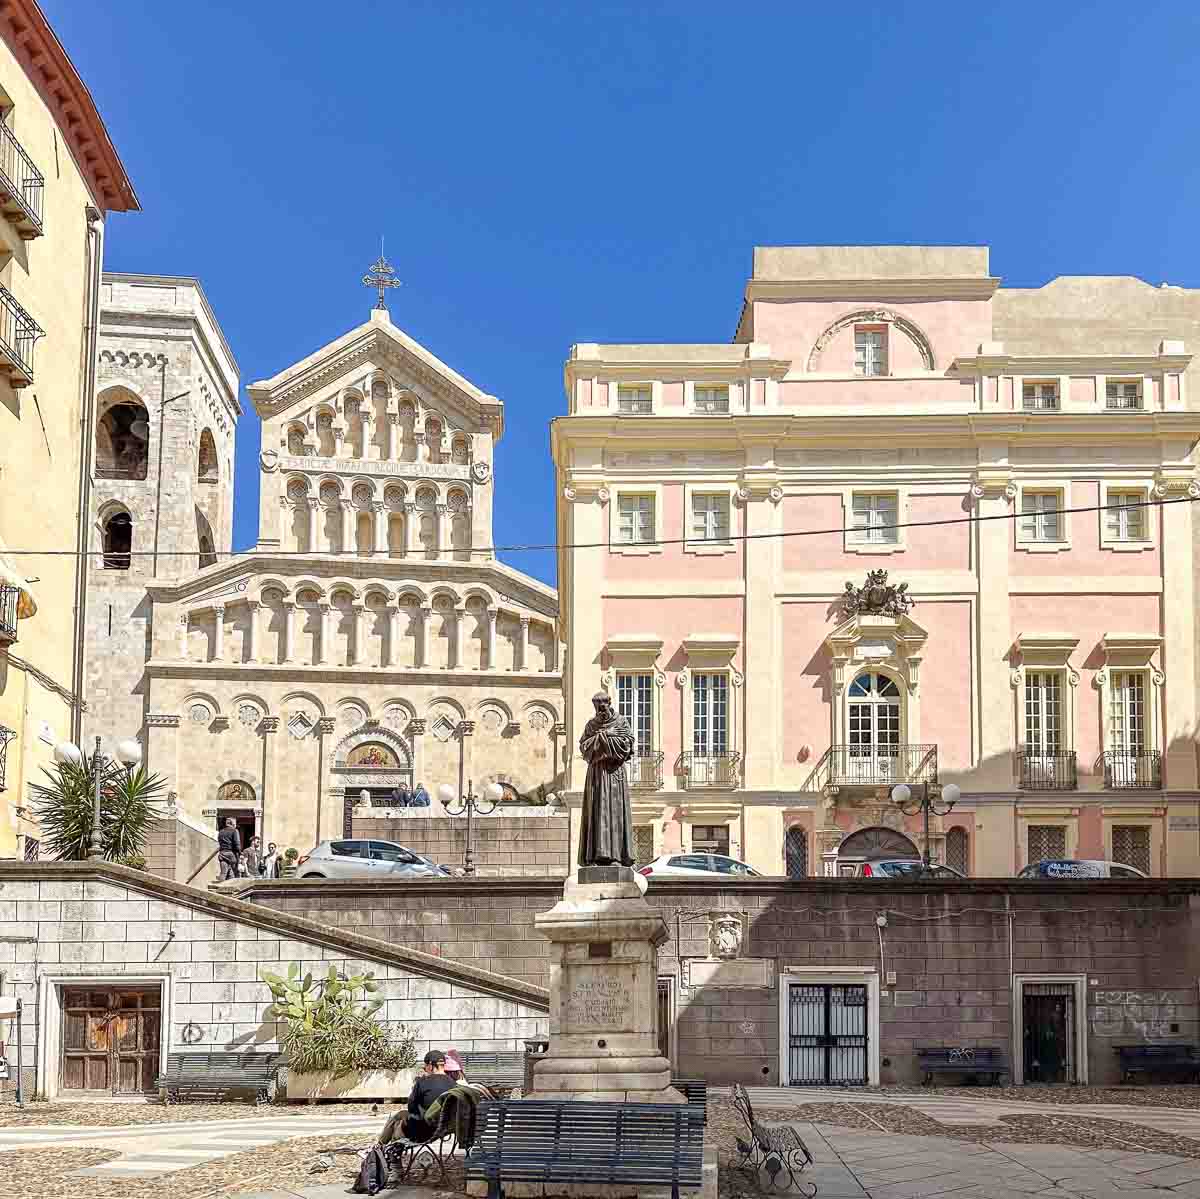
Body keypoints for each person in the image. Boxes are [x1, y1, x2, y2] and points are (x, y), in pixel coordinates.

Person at [402, 1050, 454, 1141]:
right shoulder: (453, 1084)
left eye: (425, 1066)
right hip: (445, 1130)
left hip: (423, 1131)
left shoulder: (422, 1082)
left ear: (430, 1065)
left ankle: (380, 1148)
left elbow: (411, 1107)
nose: (425, 1068)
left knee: (398, 1118)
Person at [217, 817, 241, 882]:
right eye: (235, 823)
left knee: (224, 873)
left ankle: (222, 885)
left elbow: (219, 842)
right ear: (232, 823)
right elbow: (237, 844)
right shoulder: (234, 830)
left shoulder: (221, 832)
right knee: (235, 873)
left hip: (222, 854)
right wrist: (240, 853)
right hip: (231, 855)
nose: (235, 825)